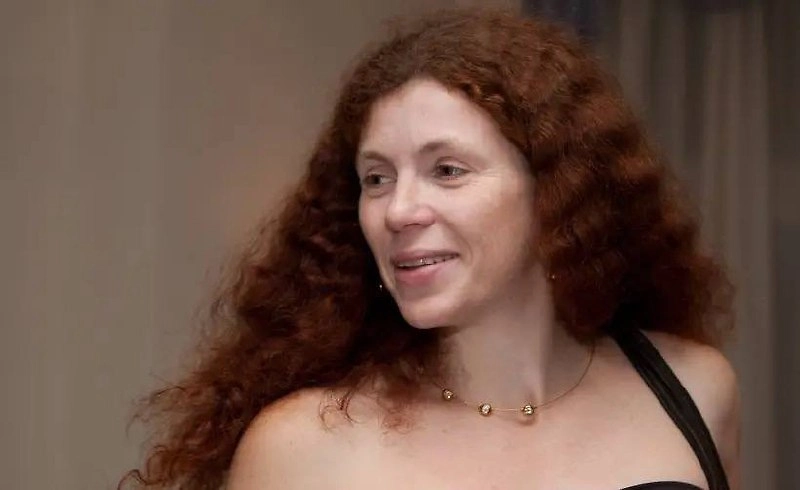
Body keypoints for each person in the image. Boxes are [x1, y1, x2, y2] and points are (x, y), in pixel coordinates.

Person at [121, 8, 741, 490]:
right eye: (376, 178)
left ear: (556, 190)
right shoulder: (302, 448)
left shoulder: (692, 389)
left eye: (446, 170)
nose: (398, 211)